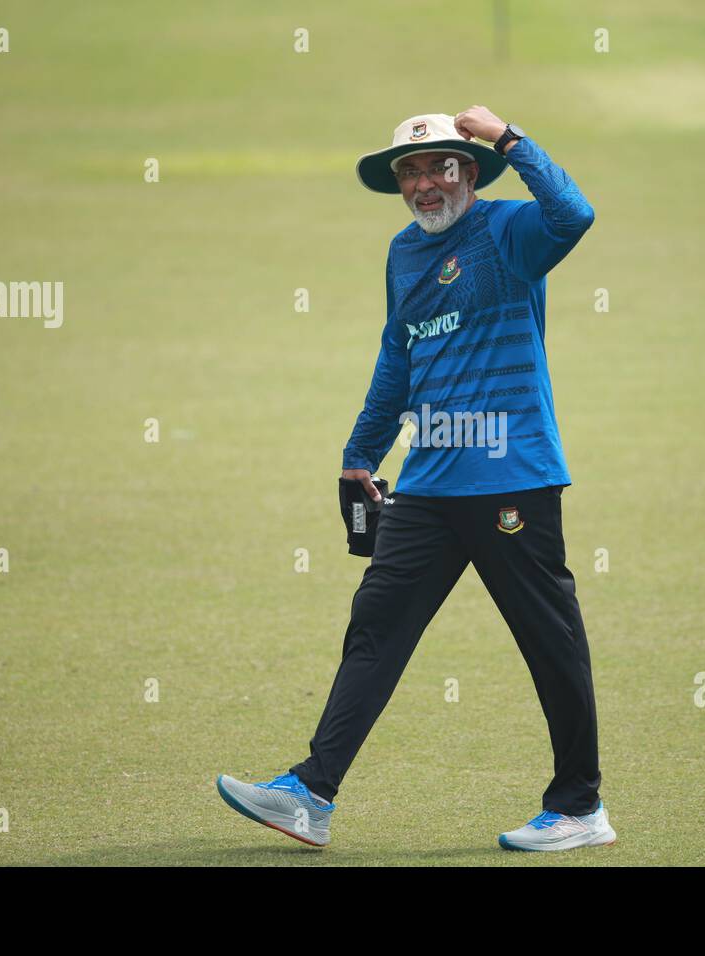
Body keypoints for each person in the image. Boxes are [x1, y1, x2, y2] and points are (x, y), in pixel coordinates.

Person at [217, 106, 613, 852]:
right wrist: (361, 452)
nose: (425, 184)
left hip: (511, 477)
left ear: (469, 172)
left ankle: (580, 808)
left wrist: (507, 138)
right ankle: (310, 794)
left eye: (440, 167)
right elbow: (397, 360)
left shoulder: (508, 233)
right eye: (410, 172)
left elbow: (576, 213)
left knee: (549, 641)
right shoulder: (403, 252)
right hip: (426, 483)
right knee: (376, 627)